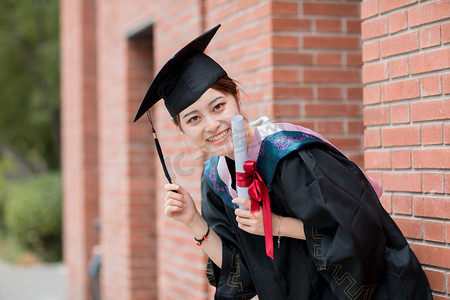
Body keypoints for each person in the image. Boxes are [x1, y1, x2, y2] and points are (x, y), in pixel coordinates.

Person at [134, 25, 432, 300]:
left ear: (236, 97)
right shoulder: (215, 179)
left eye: (218, 106)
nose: (212, 125)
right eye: (194, 118)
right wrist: (192, 221)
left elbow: (360, 232)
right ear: (181, 129)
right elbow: (242, 274)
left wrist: (277, 225)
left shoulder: (292, 155)